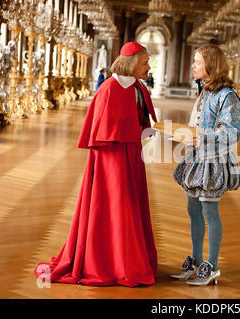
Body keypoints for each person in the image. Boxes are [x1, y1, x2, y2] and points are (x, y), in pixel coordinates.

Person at [34, 41, 158, 287]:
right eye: (145, 63)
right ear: (132, 63)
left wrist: (148, 130)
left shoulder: (138, 88)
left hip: (132, 157)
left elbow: (141, 121)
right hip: (110, 160)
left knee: (132, 205)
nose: (148, 67)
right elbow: (101, 131)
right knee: (114, 205)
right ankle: (109, 263)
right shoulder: (109, 89)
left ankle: (131, 260)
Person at [171, 45, 240, 286]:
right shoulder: (205, 91)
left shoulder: (227, 96)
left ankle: (212, 266)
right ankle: (197, 260)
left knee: (209, 211)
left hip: (214, 160)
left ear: (211, 66)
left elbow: (232, 133)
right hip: (197, 157)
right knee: (193, 209)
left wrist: (201, 137)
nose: (193, 66)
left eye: (197, 62)